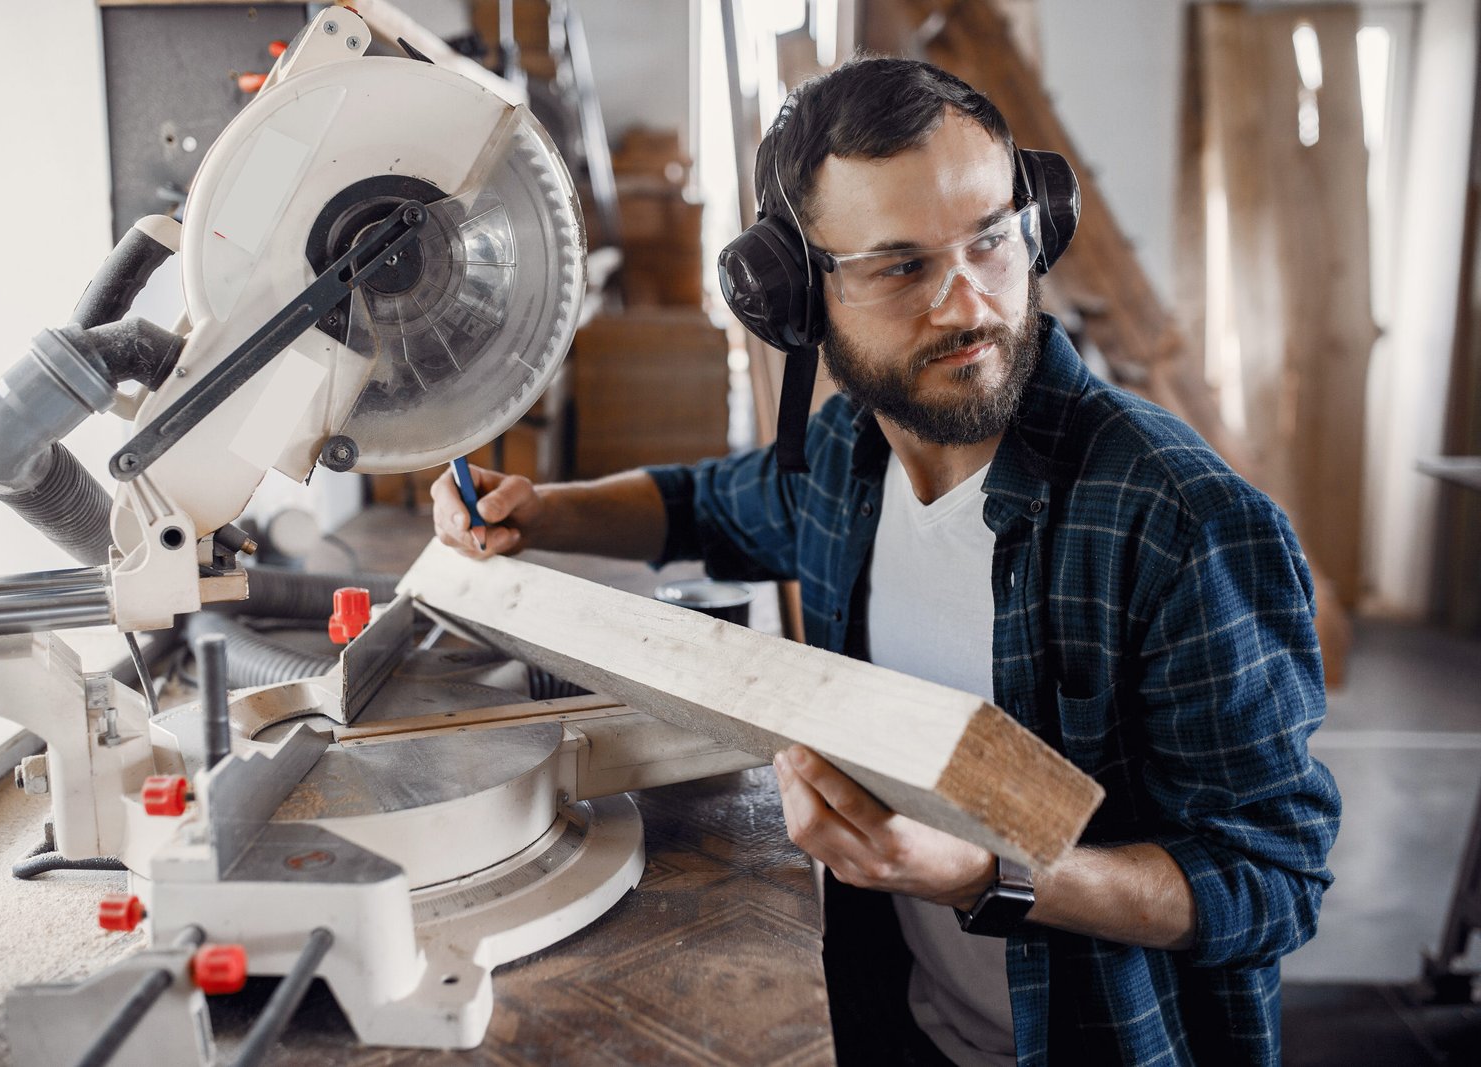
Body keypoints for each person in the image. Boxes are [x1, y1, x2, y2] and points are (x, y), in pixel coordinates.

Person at [431, 56, 1340, 1067]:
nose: (967, 305)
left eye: (991, 240)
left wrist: (979, 874)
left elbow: (1273, 878)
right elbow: (705, 504)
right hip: (902, 1021)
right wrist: (536, 511)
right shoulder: (850, 457)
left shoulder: (1175, 519)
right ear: (795, 297)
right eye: (902, 266)